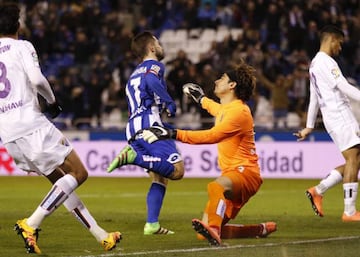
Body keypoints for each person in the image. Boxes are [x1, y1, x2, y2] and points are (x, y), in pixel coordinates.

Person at [0, 3, 121, 254]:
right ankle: (30, 224)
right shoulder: (23, 46)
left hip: (8, 133)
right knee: (78, 173)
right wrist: (53, 102)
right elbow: (36, 79)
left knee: (61, 184)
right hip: (30, 123)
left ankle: (101, 235)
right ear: (18, 25)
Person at [139, 62, 277, 246]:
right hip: (234, 174)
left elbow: (212, 136)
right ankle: (259, 229)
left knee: (216, 187)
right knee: (203, 232)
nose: (216, 80)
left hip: (245, 173)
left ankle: (214, 230)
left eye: (222, 78)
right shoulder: (227, 109)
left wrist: (172, 133)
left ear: (232, 85)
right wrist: (201, 98)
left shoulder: (240, 112)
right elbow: (214, 108)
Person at [107, 31, 185, 235]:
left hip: (134, 128)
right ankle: (134, 157)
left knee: (160, 178)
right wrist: (168, 101)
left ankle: (152, 224)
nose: (160, 46)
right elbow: (151, 82)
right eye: (158, 42)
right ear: (151, 48)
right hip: (151, 126)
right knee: (177, 170)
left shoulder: (133, 75)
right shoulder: (155, 66)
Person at [293, 25, 360, 221]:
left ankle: (318, 190)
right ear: (331, 39)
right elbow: (343, 86)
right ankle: (349, 211)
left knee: (355, 160)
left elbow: (314, 97)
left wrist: (309, 126)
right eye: (340, 43)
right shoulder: (325, 61)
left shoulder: (314, 64)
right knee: (353, 159)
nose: (340, 47)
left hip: (333, 117)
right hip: (340, 115)